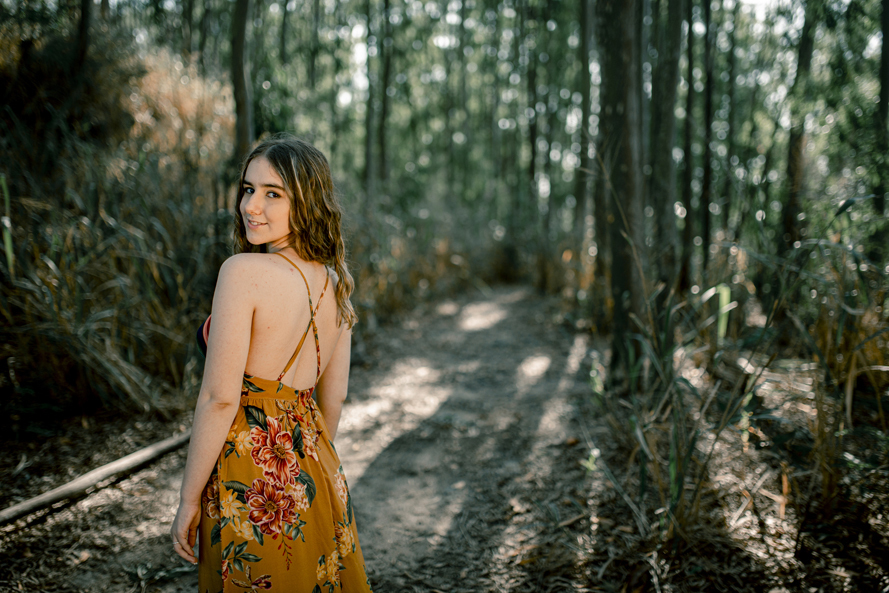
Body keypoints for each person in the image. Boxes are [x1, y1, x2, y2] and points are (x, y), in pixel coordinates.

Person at [171, 135, 373, 592]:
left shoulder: (242, 272)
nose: (251, 206)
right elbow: (334, 396)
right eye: (248, 189)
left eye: (272, 193)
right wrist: (302, 469)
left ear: (307, 200)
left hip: (250, 473)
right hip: (313, 466)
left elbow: (221, 398)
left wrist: (187, 498)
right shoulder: (338, 282)